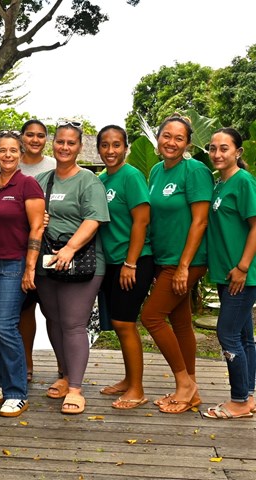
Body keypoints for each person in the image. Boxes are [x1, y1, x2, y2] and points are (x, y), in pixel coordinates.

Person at [34, 121, 110, 415]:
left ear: (79, 147)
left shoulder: (88, 181)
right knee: (53, 319)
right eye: (60, 142)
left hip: (82, 261)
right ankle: (65, 375)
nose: (64, 147)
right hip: (48, 260)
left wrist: (70, 248)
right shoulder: (42, 180)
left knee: (74, 324)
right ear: (53, 144)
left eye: (71, 143)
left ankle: (76, 389)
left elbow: (94, 220)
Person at [141, 114, 213, 414]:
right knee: (181, 322)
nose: (171, 142)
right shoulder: (156, 171)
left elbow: (200, 221)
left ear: (188, 144)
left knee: (151, 317)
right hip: (164, 258)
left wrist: (184, 266)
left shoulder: (195, 171)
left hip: (186, 260)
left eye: (179, 138)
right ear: (158, 139)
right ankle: (190, 388)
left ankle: (184, 384)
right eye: (166, 136)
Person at [0, 131, 45, 417]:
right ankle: (3, 383)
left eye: (13, 150)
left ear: (21, 154)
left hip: (12, 265)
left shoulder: (27, 185)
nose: (7, 155)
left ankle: (17, 393)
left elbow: (37, 227)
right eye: (2, 150)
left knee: (5, 325)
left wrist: (30, 267)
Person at [96, 125, 154, 410]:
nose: (111, 150)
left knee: (124, 322)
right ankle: (129, 380)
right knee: (119, 324)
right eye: (105, 145)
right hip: (110, 262)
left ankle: (137, 390)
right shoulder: (101, 179)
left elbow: (141, 221)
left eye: (116, 144)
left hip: (134, 261)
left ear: (126, 148)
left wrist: (130, 262)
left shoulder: (131, 176)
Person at [203, 128, 256, 419]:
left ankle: (239, 401)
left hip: (242, 274)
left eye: (224, 148)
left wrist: (243, 267)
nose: (217, 154)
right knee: (244, 336)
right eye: (212, 148)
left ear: (238, 152)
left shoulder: (243, 181)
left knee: (227, 334)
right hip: (226, 273)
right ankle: (249, 394)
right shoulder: (219, 184)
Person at [0, 119, 56, 383]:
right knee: (24, 310)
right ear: (22, 139)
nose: (35, 139)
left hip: (50, 246)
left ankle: (64, 367)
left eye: (40, 135)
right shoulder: (7, 165)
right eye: (30, 135)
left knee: (53, 310)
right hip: (15, 248)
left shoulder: (54, 165)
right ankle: (27, 364)